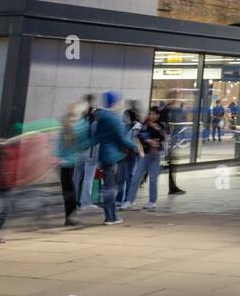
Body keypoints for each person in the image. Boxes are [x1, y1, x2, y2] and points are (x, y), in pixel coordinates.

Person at [92, 92, 137, 225]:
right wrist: (136, 147)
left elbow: (98, 137)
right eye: (120, 102)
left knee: (108, 186)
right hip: (113, 157)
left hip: (104, 155)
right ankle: (110, 217)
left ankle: (110, 215)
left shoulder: (102, 118)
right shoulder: (114, 119)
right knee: (111, 188)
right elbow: (122, 139)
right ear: (115, 103)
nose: (121, 104)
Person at [57, 101, 90, 226]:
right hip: (65, 161)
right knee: (68, 190)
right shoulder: (68, 122)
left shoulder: (79, 124)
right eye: (70, 107)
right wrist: (58, 156)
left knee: (70, 190)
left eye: (73, 108)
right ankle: (70, 217)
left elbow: (81, 143)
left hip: (71, 161)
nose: (71, 109)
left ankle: (70, 217)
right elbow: (60, 142)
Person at [126, 107, 167, 209]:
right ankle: (129, 200)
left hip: (156, 155)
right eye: (150, 114)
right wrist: (147, 141)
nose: (151, 116)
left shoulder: (161, 126)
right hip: (145, 155)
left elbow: (164, 138)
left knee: (153, 179)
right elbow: (137, 136)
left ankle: (152, 201)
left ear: (158, 115)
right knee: (136, 178)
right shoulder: (143, 125)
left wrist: (156, 129)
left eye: (154, 114)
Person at [160, 92, 186, 195]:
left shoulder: (174, 111)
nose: (177, 100)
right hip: (166, 142)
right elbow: (164, 126)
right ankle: (142, 178)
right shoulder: (166, 111)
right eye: (176, 98)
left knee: (171, 165)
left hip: (171, 142)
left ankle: (173, 187)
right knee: (161, 165)